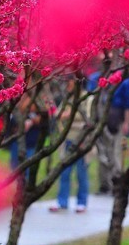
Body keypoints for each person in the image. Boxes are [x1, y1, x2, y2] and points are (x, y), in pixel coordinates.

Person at [50, 80, 92, 213]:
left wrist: (69, 114)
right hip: (67, 138)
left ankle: (82, 202)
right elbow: (58, 114)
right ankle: (62, 201)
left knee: (81, 173)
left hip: (81, 139)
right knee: (64, 172)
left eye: (71, 82)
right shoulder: (68, 98)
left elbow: (88, 117)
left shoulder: (88, 98)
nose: (68, 84)